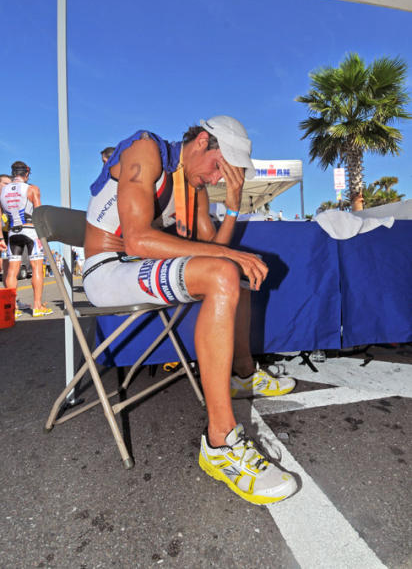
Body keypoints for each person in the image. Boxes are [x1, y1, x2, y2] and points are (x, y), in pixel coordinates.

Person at [84, 116, 298, 504]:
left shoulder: (192, 184)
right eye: (218, 166)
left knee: (237, 274)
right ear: (201, 142)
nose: (217, 178)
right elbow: (136, 240)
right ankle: (220, 443)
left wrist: (231, 208)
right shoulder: (146, 149)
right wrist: (229, 257)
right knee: (225, 269)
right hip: (108, 269)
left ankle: (242, 375)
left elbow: (213, 247)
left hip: (138, 265)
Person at [0, 161, 53, 318]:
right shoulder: (32, 189)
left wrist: (1, 237)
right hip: (30, 230)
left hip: (12, 233)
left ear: (13, 173)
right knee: (36, 267)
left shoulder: (2, 191)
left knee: (11, 271)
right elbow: (39, 214)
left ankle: (13, 308)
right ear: (27, 173)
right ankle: (37, 306)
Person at [0, 174, 11, 284]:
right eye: (5, 184)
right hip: (1, 238)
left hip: (6, 236)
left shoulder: (7, 201)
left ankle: (9, 293)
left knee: (8, 268)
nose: (8, 186)